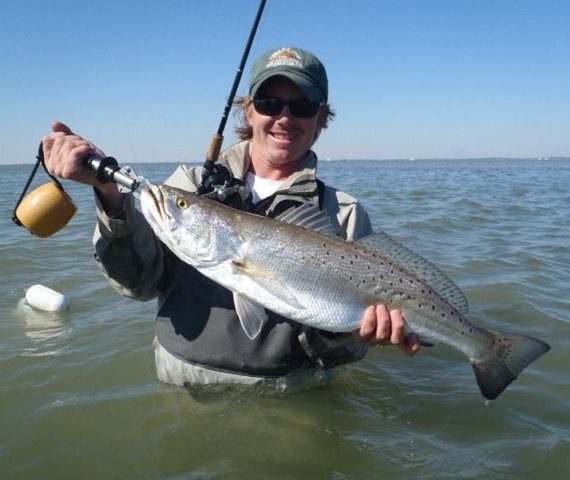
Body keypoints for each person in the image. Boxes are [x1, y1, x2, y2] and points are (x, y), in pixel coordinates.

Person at [43, 46, 420, 391]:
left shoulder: (343, 213)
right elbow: (137, 284)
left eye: (302, 106)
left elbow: (344, 354)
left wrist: (346, 336)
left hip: (288, 400)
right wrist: (110, 196)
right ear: (249, 110)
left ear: (321, 117)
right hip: (183, 392)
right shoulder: (189, 184)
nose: (284, 117)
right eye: (270, 103)